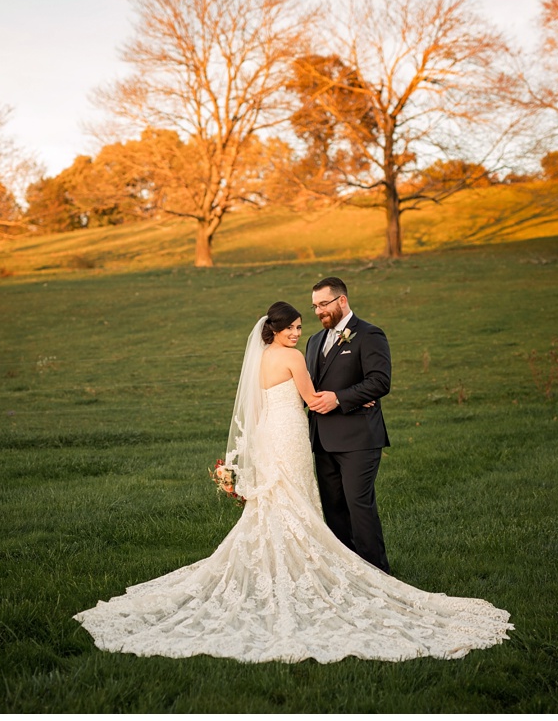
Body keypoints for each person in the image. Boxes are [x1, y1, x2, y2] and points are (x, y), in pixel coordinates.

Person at [73, 302, 510, 663]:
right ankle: (308, 564)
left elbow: (258, 410)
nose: (300, 333)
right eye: (294, 327)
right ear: (275, 331)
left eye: (303, 326)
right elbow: (312, 399)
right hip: (292, 435)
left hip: (268, 437)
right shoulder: (293, 358)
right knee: (298, 498)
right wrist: (357, 394)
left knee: (277, 503)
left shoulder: (259, 360)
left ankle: (286, 563)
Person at [305, 277, 393, 574]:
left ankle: (378, 574)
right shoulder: (314, 341)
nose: (318, 311)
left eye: (324, 304)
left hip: (358, 438)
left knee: (359, 506)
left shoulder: (369, 334)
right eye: (315, 306)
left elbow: (380, 381)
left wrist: (341, 399)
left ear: (342, 300)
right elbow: (310, 387)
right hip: (322, 439)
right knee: (334, 511)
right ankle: (349, 574)